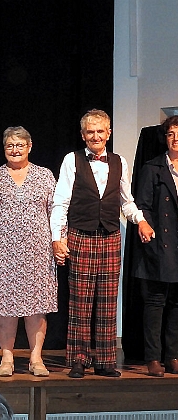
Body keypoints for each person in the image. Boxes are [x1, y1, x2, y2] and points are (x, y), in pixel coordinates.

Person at [51, 109, 154, 378]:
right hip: (80, 234)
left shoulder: (119, 162)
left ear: (108, 133)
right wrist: (57, 238)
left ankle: (105, 360)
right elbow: (60, 201)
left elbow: (126, 200)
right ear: (83, 135)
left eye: (100, 131)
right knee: (80, 301)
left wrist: (140, 221)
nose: (95, 136)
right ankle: (78, 358)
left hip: (109, 236)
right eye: (90, 132)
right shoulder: (71, 161)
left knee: (108, 301)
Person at [0, 126, 57, 377]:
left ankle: (35, 358)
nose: (15, 150)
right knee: (4, 308)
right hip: (3, 254)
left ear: (30, 147)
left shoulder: (44, 176)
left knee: (36, 306)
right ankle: (7, 358)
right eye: (10, 145)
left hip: (38, 253)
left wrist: (58, 241)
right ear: (4, 148)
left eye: (20, 145)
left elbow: (56, 212)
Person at [133, 115, 178, 377]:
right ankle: (153, 358)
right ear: (165, 138)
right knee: (155, 302)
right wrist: (145, 225)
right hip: (159, 243)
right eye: (171, 133)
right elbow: (144, 205)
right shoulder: (153, 167)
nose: (176, 139)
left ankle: (172, 355)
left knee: (176, 304)